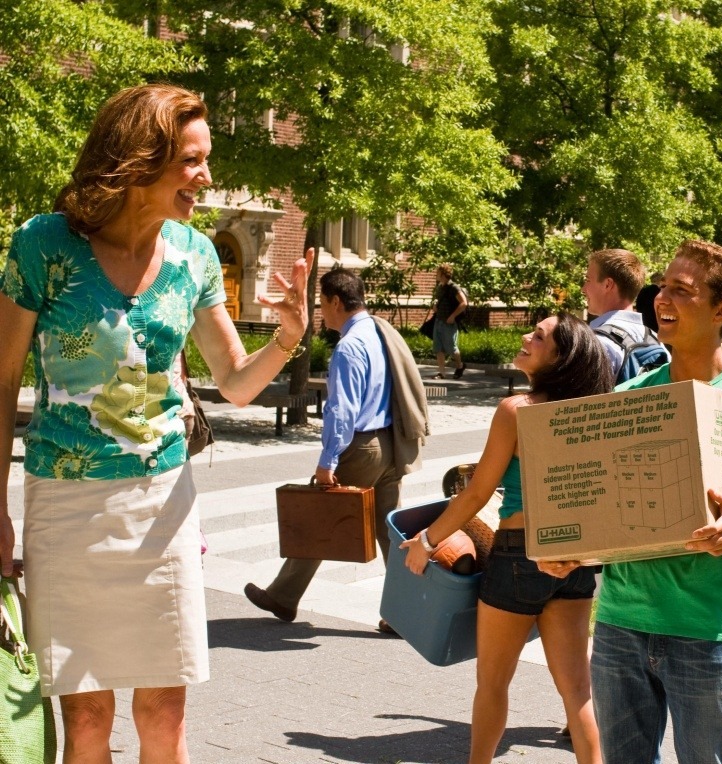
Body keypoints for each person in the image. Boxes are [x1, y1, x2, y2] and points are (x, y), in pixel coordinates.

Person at [0, 84, 314, 761]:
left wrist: (288, 337)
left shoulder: (194, 256)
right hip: (64, 505)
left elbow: (232, 381)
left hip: (161, 506)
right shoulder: (43, 246)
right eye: (192, 161)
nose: (205, 176)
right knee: (85, 715)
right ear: (140, 160)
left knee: (166, 712)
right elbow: (1, 384)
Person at [541, 239, 722, 764]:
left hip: (704, 634)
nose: (662, 299)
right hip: (618, 627)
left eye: (683, 291)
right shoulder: (626, 399)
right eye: (663, 286)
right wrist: (567, 548)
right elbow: (602, 511)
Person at [400, 312, 612, 764]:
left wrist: (427, 541)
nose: (525, 337)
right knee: (577, 693)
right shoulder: (593, 415)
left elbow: (476, 492)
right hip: (574, 560)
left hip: (517, 557)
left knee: (493, 683)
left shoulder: (517, 411)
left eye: (538, 336)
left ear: (562, 357)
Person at [245, 268, 428, 629]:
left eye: (321, 303)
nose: (320, 311)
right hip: (393, 442)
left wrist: (327, 460)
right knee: (390, 531)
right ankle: (408, 612)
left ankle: (282, 597)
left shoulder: (349, 346)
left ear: (335, 301)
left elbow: (341, 410)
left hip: (362, 448)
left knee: (318, 517)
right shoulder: (378, 331)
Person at [581, 248, 663, 380]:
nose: (583, 288)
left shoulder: (596, 343)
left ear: (608, 285)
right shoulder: (658, 342)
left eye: (588, 280)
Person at [428, 263, 467, 379]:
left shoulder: (454, 287)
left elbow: (464, 303)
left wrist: (453, 316)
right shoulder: (440, 287)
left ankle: (460, 366)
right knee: (438, 347)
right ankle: (441, 372)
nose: (436, 275)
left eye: (438, 273)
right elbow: (438, 300)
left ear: (444, 274)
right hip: (439, 320)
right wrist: (435, 305)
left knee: (451, 348)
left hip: (449, 323)